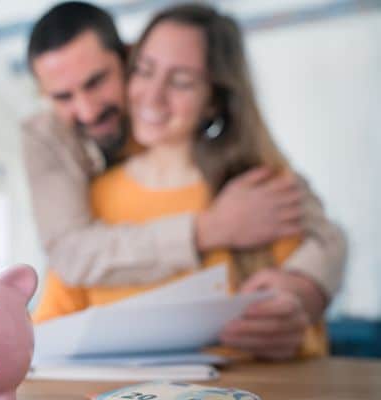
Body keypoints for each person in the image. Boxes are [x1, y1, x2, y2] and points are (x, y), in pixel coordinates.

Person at [24, 2, 347, 360]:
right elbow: (70, 260)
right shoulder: (68, 164)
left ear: (125, 59)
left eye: (181, 81)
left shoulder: (256, 187)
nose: (86, 110)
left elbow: (326, 241)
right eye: (63, 96)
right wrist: (207, 229)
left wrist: (302, 294)